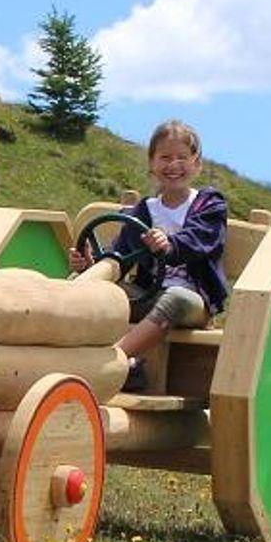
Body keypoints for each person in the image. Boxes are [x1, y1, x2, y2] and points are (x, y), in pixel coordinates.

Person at [72, 119, 228, 388]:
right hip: (149, 293)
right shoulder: (145, 211)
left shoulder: (209, 204)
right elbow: (120, 256)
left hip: (194, 300)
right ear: (152, 164)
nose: (173, 165)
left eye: (182, 157)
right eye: (165, 157)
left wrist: (169, 245)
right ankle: (73, 352)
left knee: (175, 297)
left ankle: (113, 363)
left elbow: (201, 240)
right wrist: (90, 266)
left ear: (197, 164)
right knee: (92, 287)